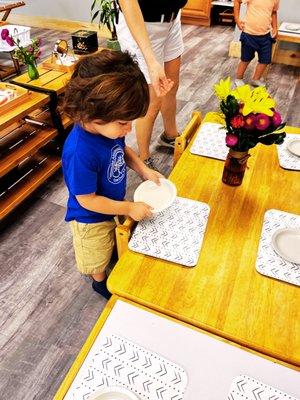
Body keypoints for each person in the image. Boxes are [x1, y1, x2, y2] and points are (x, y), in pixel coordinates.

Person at [62, 50, 162, 299]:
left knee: (113, 238)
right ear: (92, 114)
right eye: (123, 123)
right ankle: (99, 282)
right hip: (89, 218)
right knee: (95, 255)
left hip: (112, 205)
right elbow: (87, 200)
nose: (128, 129)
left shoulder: (110, 129)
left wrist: (144, 169)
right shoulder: (79, 152)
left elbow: (123, 150)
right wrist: (128, 208)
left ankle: (114, 251)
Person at [116, 0, 188, 169]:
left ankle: (170, 135)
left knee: (171, 85)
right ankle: (143, 157)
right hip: (141, 24)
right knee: (152, 100)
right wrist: (151, 61)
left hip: (171, 20)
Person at [234, 0, 279, 87]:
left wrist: (275, 28)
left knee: (265, 60)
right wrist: (237, 20)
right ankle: (239, 78)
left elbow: (273, 12)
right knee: (246, 59)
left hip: (265, 36)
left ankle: (256, 79)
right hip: (249, 35)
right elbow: (237, 1)